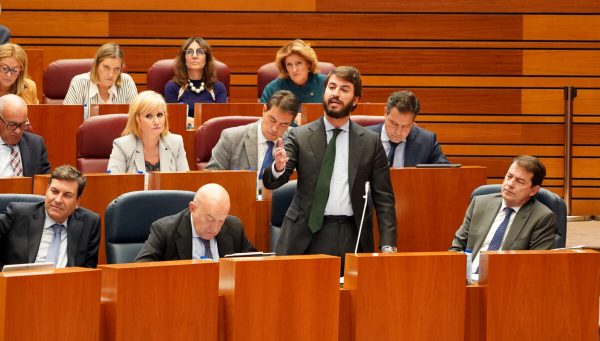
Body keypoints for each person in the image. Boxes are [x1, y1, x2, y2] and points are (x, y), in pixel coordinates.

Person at [263, 66, 398, 271]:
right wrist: (278, 167)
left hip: (352, 235)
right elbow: (273, 181)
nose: (336, 93)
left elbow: (384, 198)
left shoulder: (370, 142)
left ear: (355, 100)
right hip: (305, 235)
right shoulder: (299, 136)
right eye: (332, 87)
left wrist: (388, 246)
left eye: (344, 89)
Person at [449, 155, 556, 276]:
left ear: (533, 190)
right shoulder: (479, 203)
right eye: (509, 176)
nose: (510, 184)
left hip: (506, 282)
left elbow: (536, 265)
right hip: (467, 279)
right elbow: (456, 248)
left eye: (520, 181)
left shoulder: (542, 217)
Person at [0, 165, 101, 268]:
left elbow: (89, 272)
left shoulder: (90, 223)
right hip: (21, 282)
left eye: (67, 195)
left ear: (77, 201)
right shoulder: (17, 214)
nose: (58, 200)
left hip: (67, 283)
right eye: (54, 191)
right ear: (47, 190)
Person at [135, 183, 256, 262]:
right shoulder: (165, 231)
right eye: (210, 219)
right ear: (193, 209)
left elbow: (255, 266)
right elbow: (139, 270)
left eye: (221, 221)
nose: (214, 228)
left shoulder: (234, 227)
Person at [205, 90, 298, 174]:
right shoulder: (231, 138)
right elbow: (210, 178)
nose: (274, 129)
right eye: (272, 120)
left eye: (283, 124)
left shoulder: (295, 140)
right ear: (264, 110)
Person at [107, 90, 189, 173]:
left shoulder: (176, 142)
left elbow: (185, 180)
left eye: (159, 115)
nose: (156, 122)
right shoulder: (122, 146)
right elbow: (113, 182)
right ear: (137, 119)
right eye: (149, 116)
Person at [368, 90, 448, 167]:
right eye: (394, 124)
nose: (398, 132)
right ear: (385, 112)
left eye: (405, 126)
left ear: (413, 122)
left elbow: (444, 173)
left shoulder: (427, 141)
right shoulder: (363, 138)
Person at [164, 37, 227, 120]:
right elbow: (173, 119)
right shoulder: (172, 87)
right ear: (184, 58)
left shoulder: (218, 88)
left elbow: (220, 120)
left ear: (206, 58)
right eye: (189, 52)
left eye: (200, 52)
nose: (194, 56)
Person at [63, 42, 138, 105]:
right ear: (96, 65)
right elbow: (67, 118)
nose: (111, 74)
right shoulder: (78, 83)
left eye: (116, 69)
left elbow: (136, 118)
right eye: (106, 67)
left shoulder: (127, 82)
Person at [260, 39, 326, 105]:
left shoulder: (325, 84)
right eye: (289, 64)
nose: (294, 70)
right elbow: (263, 114)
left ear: (308, 64)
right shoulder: (272, 89)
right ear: (285, 68)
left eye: (299, 63)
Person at [0, 94, 50, 176]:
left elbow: (44, 180)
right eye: (12, 124)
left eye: (22, 124)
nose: (18, 131)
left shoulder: (36, 144)